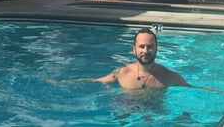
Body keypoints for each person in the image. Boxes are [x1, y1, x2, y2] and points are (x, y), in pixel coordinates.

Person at [49, 28, 191, 90]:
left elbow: (195, 89)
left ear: (156, 48)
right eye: (141, 46)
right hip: (125, 113)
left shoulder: (168, 76)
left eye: (150, 47)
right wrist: (63, 82)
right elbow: (95, 81)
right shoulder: (121, 73)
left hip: (153, 117)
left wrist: (213, 90)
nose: (145, 51)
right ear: (133, 49)